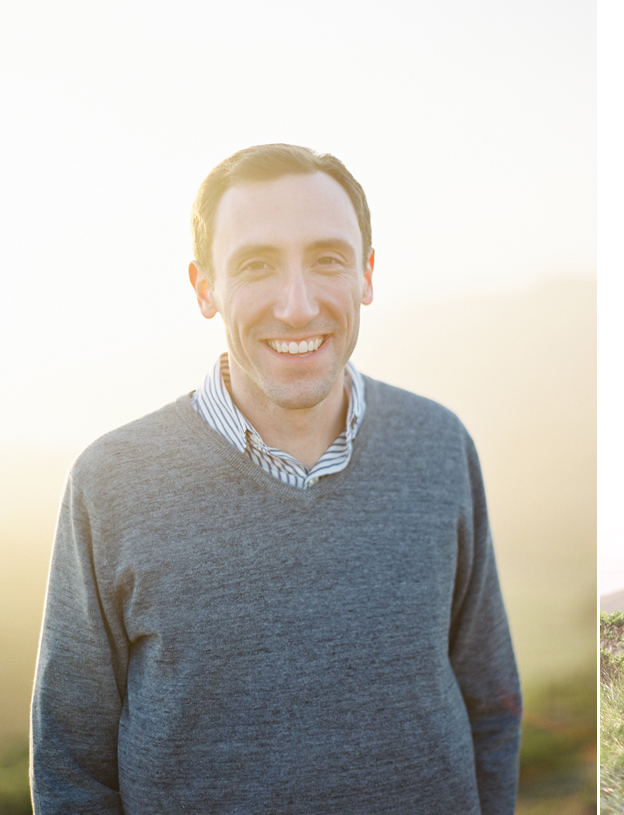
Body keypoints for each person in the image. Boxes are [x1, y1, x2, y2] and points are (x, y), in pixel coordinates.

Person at [31, 144, 522, 813]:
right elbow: (71, 769)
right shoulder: (111, 483)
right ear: (205, 286)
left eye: (327, 259)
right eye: (257, 265)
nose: (297, 306)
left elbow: (491, 705)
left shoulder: (440, 447)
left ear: (367, 276)